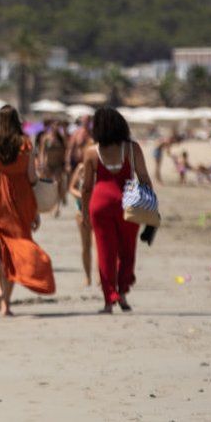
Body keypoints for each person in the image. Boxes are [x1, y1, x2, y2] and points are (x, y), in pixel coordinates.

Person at [0, 106, 55, 316]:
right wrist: (35, 209)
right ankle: (6, 305)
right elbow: (32, 177)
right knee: (12, 252)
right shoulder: (26, 144)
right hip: (21, 201)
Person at [81, 108, 152, 313]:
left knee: (105, 252)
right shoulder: (132, 149)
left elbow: (86, 187)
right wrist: (150, 204)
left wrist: (85, 212)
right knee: (127, 251)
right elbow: (144, 178)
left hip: (100, 204)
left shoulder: (91, 152)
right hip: (128, 201)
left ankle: (108, 300)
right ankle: (122, 293)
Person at [68, 162, 93, 286]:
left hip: (98, 210)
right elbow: (71, 187)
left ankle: (101, 277)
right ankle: (88, 276)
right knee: (86, 246)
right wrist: (82, 196)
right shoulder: (81, 167)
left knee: (99, 245)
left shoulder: (103, 166)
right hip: (81, 211)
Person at [38, 121, 68, 217]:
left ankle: (57, 207)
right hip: (48, 164)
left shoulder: (61, 138)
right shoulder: (46, 138)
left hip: (58, 165)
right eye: (53, 126)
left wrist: (66, 163)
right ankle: (49, 205)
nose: (55, 128)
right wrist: (41, 163)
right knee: (48, 186)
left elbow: (66, 149)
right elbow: (42, 151)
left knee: (57, 183)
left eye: (57, 126)